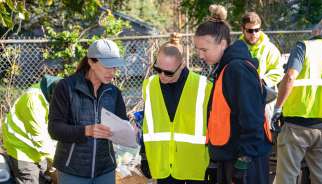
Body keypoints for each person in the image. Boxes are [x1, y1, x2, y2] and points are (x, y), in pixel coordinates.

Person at [194, 5, 272, 184]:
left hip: (245, 161)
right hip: (231, 157)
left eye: (204, 50)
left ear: (222, 44)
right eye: (197, 49)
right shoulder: (225, 68)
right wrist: (215, 161)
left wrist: (243, 161)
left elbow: (252, 117)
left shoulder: (237, 69)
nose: (200, 55)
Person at [48, 39, 128, 184]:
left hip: (105, 170)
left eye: (114, 67)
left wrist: (128, 131)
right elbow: (54, 129)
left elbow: (122, 125)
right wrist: (86, 131)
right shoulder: (66, 87)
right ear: (91, 62)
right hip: (72, 170)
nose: (112, 72)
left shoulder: (114, 92)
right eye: (107, 66)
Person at [141, 33, 212, 184]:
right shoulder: (150, 85)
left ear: (182, 65)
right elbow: (148, 123)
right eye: (158, 69)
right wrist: (145, 156)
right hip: (163, 168)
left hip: (195, 168)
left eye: (168, 72)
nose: (162, 76)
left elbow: (213, 125)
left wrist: (214, 161)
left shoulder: (203, 86)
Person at [272, 17, 322, 184]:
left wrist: (278, 108)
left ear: (318, 31)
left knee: (287, 177)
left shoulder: (304, 47)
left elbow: (290, 77)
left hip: (296, 125)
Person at [2, 74, 61, 184]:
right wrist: (58, 162)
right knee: (30, 179)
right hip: (21, 146)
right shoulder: (33, 102)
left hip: (37, 147)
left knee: (43, 177)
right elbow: (40, 139)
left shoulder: (54, 91)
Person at [240, 12, 284, 122]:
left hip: (266, 100)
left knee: (269, 135)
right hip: (244, 100)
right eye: (250, 30)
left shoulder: (270, 49)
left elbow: (278, 71)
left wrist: (263, 81)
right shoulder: (237, 48)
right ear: (243, 30)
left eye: (257, 30)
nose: (254, 34)